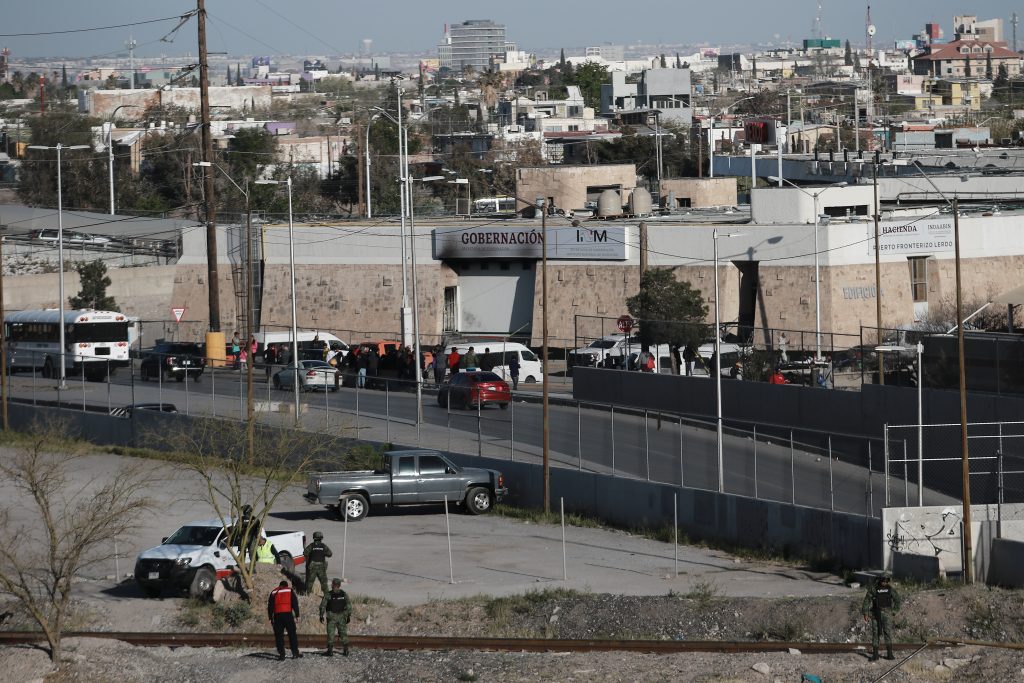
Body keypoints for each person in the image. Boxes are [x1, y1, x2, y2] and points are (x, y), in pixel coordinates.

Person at [862, 573, 901, 661]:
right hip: (875, 614)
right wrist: (865, 613)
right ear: (880, 580)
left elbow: (897, 600)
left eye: (886, 581)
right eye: (883, 581)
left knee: (887, 633)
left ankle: (889, 654)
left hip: (887, 614)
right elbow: (867, 600)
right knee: (875, 633)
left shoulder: (890, 589)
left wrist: (894, 611)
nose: (884, 582)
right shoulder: (874, 589)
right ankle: (875, 655)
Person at [268, 579, 301, 660]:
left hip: (277, 616)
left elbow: (270, 606)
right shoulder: (289, 590)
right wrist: (297, 615)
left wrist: (270, 617)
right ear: (286, 585)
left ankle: (282, 655)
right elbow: (294, 603)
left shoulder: (274, 592)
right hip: (288, 615)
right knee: (292, 634)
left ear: (280, 585)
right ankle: (295, 653)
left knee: (279, 636)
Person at [319, 577, 352, 657]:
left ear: (332, 585)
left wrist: (321, 615)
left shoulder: (328, 594)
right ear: (339, 585)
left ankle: (330, 651)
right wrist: (348, 615)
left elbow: (323, 605)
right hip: (341, 617)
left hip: (331, 617)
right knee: (343, 633)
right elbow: (349, 606)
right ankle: (346, 650)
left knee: (331, 634)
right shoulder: (344, 594)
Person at [303, 530, 332, 596]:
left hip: (312, 566)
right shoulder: (323, 546)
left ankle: (307, 594)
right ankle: (327, 596)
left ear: (314, 538)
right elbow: (330, 554)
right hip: (321, 566)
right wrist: (323, 553)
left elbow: (305, 553)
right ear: (321, 538)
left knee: (310, 582)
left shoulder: (311, 545)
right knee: (324, 582)